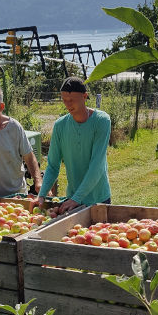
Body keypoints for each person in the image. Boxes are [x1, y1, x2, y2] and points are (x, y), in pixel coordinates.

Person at [37, 76, 111, 214]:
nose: (68, 105)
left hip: (98, 198)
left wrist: (77, 198)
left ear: (85, 96)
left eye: (72, 100)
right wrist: (41, 195)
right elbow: (53, 165)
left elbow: (97, 164)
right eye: (65, 100)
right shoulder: (60, 125)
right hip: (72, 200)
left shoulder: (101, 121)